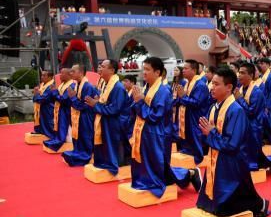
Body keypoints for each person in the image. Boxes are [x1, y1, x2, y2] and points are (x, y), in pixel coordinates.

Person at [196, 66, 270, 217]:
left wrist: (211, 133)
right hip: (217, 158)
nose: (212, 87)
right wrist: (206, 133)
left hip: (232, 161)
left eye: (216, 84)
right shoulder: (214, 107)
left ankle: (260, 204)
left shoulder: (236, 110)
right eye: (212, 83)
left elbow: (232, 144)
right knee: (210, 204)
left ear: (229, 87)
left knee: (231, 200)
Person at [130, 57, 199, 198]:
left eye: (148, 70)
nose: (144, 73)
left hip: (159, 134)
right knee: (156, 165)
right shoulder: (147, 87)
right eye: (144, 69)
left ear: (157, 72)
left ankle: (189, 173)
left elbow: (155, 116)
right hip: (146, 132)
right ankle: (189, 174)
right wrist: (137, 101)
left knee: (159, 164)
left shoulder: (163, 91)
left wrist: (139, 103)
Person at [85, 59, 131, 175]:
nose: (100, 69)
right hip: (107, 120)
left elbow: (115, 109)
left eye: (103, 67)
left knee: (116, 145)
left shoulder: (118, 87)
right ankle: (108, 162)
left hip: (116, 122)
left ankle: (119, 165)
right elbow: (106, 104)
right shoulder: (107, 84)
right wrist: (98, 102)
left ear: (112, 70)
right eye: (100, 66)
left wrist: (96, 105)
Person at [236, 62, 271, 170]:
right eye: (239, 72)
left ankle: (254, 165)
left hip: (253, 126)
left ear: (251, 75)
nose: (239, 75)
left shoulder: (256, 92)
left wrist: (239, 99)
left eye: (243, 73)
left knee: (252, 149)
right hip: (242, 125)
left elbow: (251, 112)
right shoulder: (240, 89)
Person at [174, 59, 210, 164]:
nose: (183, 71)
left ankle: (199, 166)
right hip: (187, 118)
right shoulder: (187, 83)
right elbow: (181, 100)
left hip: (196, 119)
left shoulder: (200, 85)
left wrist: (183, 97)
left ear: (194, 70)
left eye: (186, 68)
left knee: (196, 146)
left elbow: (196, 103)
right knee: (187, 146)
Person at [62, 64, 98, 166]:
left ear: (81, 73)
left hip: (86, 116)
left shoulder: (87, 86)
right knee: (79, 137)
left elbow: (84, 106)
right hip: (78, 116)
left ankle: (86, 155)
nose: (71, 73)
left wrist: (73, 98)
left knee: (86, 136)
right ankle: (79, 152)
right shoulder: (77, 84)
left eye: (73, 71)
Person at [43, 68, 76, 151]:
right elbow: (56, 97)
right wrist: (54, 93)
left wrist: (54, 92)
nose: (60, 75)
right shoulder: (62, 85)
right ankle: (60, 138)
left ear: (69, 75)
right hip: (60, 110)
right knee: (60, 126)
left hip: (67, 110)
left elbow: (64, 99)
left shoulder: (72, 85)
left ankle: (66, 141)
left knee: (66, 127)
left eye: (62, 73)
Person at [31, 70, 55, 137]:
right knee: (40, 120)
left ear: (50, 77)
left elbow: (44, 98)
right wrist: (36, 94)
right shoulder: (42, 84)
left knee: (48, 122)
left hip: (48, 107)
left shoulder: (51, 86)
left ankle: (51, 135)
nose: (42, 77)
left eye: (44, 75)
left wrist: (36, 95)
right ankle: (40, 131)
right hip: (41, 107)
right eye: (42, 75)